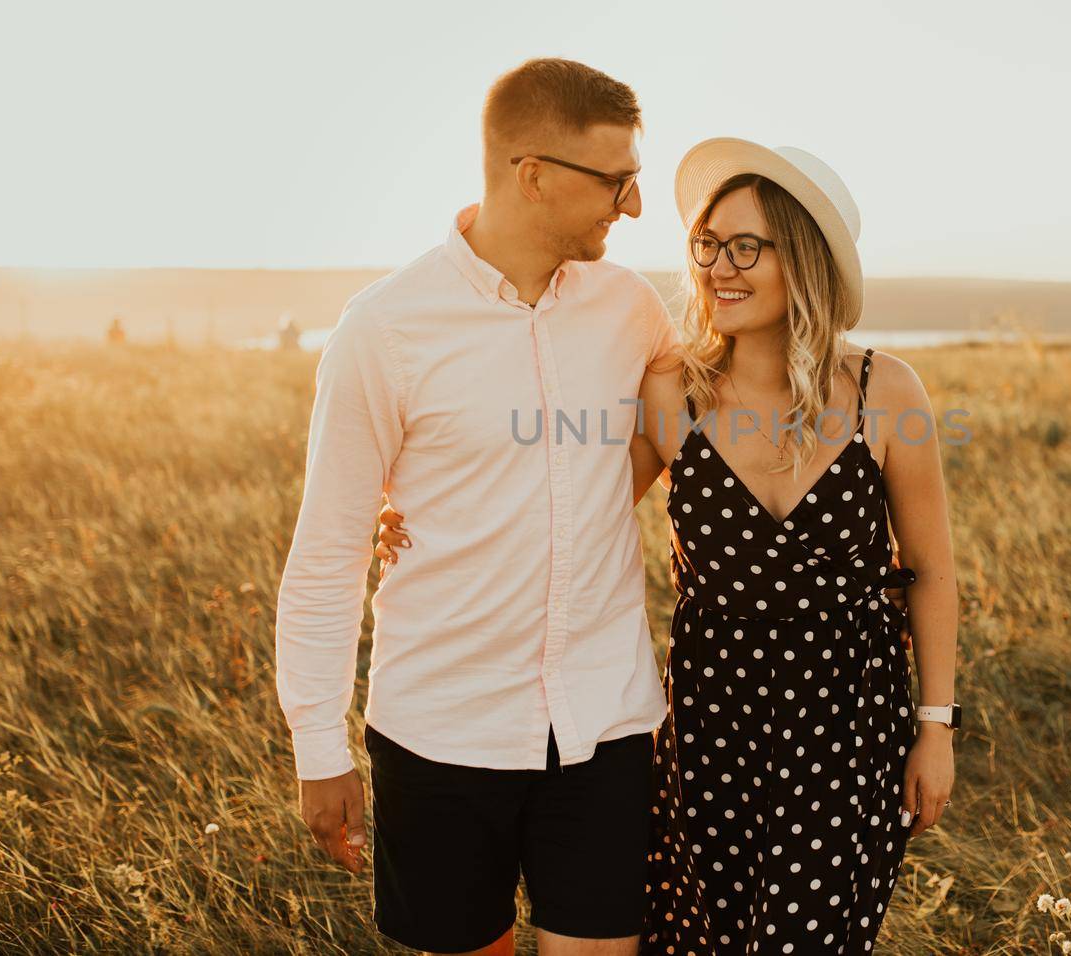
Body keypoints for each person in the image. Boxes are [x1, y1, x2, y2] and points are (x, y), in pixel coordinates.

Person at [376, 140, 963, 954]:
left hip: (848, 729)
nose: (720, 266)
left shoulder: (885, 393)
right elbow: (570, 510)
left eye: (747, 246)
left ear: (806, 260)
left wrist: (936, 728)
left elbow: (931, 571)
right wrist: (414, 505)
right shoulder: (674, 393)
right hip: (708, 730)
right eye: (708, 244)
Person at [274, 57, 680, 956]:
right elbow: (329, 551)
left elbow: (671, 434)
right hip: (440, 731)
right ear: (530, 174)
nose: (635, 205)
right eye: (616, 181)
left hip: (606, 724)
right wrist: (318, 745)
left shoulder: (634, 309)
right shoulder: (385, 328)